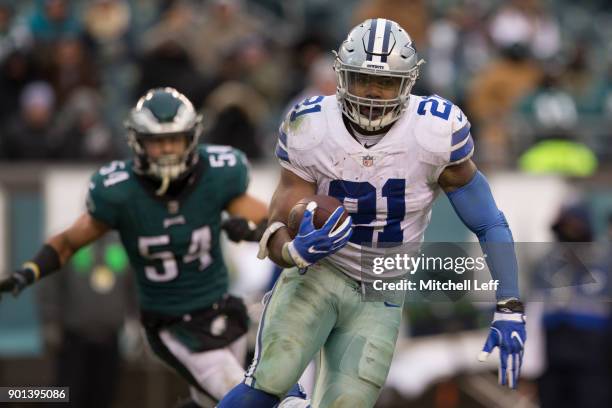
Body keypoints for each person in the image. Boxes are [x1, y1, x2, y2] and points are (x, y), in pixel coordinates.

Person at [218, 19, 526, 408]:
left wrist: (510, 305)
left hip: (382, 289)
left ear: (409, 83)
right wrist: (293, 252)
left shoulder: (435, 130)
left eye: (386, 82)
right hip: (319, 273)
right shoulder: (310, 124)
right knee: (267, 383)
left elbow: (488, 222)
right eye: (363, 79)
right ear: (342, 76)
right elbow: (279, 220)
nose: (374, 93)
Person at [0, 87, 306, 408]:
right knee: (244, 394)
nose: (167, 150)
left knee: (210, 400)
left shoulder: (216, 174)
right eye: (158, 141)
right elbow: (66, 243)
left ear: (191, 138)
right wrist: (29, 272)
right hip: (172, 323)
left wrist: (253, 229)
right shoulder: (119, 191)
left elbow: (269, 221)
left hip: (222, 308)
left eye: (174, 139)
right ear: (139, 142)